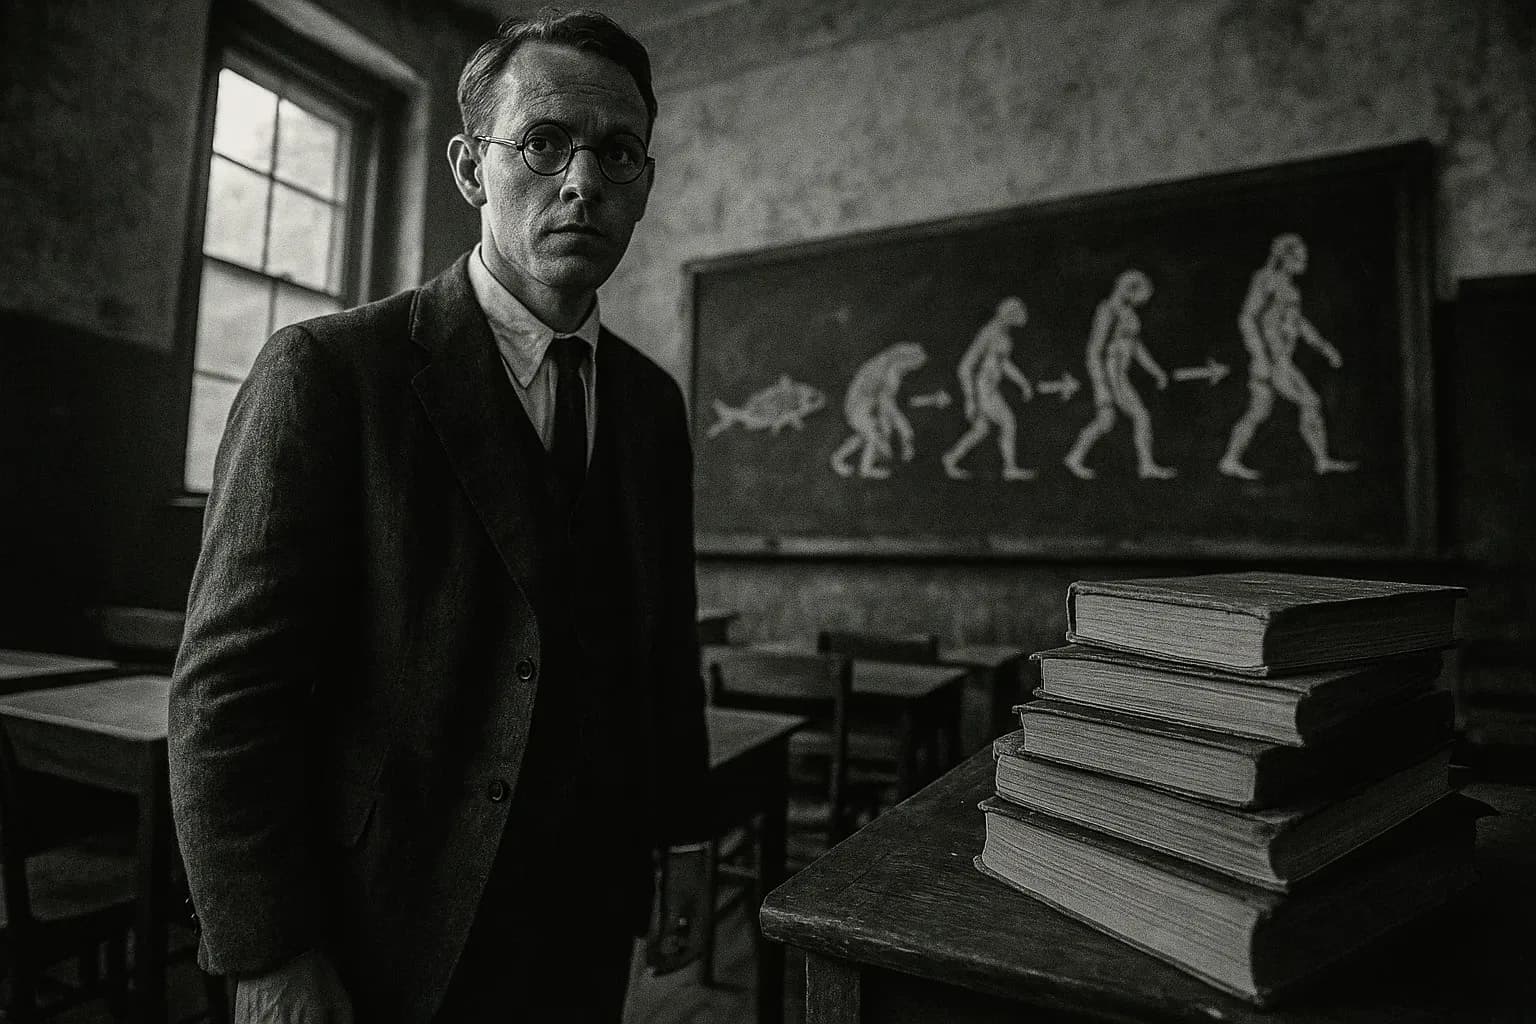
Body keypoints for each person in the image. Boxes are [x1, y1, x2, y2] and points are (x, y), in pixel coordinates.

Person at [168, 10, 711, 1022]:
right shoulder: (329, 372)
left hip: (582, 914)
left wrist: (680, 837)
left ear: (643, 178)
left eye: (618, 151)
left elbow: (662, 644)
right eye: (544, 142)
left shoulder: (649, 404)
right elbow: (227, 692)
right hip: (383, 923)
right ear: (470, 168)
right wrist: (267, 954)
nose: (583, 180)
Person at [1218, 233, 1357, 480]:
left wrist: (1324, 348)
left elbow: (1298, 323)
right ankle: (1321, 460)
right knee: (1310, 402)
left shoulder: (1290, 289)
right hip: (1272, 360)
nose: (1304, 261)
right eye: (1299, 256)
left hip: (1281, 359)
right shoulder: (1265, 280)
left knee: (1258, 412)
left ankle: (1230, 459)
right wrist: (1260, 357)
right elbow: (1247, 318)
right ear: (1285, 257)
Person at [1063, 269, 1176, 480]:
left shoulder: (1128, 313)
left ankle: (1074, 458)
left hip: (1118, 373)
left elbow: (1136, 347)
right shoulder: (1109, 311)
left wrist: (1156, 371)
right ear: (1129, 290)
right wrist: (1101, 385)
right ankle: (1145, 465)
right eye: (1140, 293)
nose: (1143, 299)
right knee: (1138, 416)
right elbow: (1094, 351)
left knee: (1106, 421)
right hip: (1110, 372)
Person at [941, 296, 1036, 481]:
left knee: (981, 430)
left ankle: (950, 458)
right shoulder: (989, 332)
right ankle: (1009, 468)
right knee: (1008, 422)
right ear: (1008, 314)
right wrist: (971, 398)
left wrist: (1023, 382)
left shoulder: (1003, 334)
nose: (1022, 317)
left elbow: (1004, 364)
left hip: (989, 388)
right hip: (983, 388)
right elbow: (965, 366)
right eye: (1017, 313)